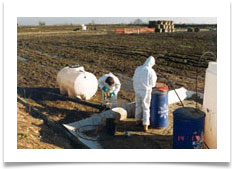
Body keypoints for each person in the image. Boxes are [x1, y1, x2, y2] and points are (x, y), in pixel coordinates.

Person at [133, 56, 157, 131]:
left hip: (137, 90)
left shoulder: (138, 68)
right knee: (146, 107)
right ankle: (145, 124)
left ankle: (137, 120)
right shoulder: (151, 71)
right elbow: (153, 84)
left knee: (138, 105)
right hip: (145, 91)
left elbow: (134, 78)